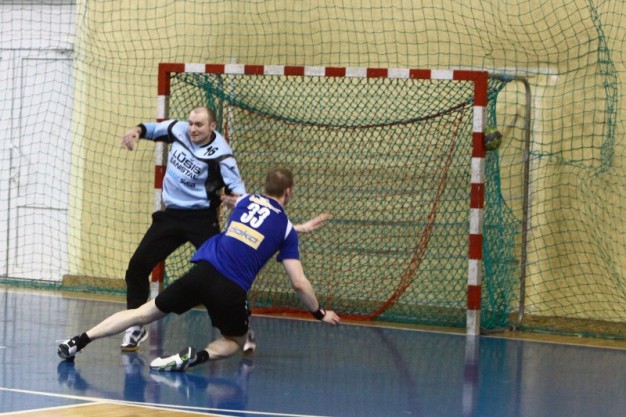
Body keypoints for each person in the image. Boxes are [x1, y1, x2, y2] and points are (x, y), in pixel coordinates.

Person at [58, 167, 340, 371]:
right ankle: (194, 357)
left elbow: (253, 216)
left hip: (201, 273)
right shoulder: (286, 230)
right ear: (289, 192)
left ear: (265, 187)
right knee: (236, 341)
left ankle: (78, 341)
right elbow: (299, 283)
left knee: (142, 313)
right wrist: (320, 313)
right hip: (231, 289)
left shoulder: (245, 201)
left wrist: (297, 227)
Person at [119, 107, 329, 352]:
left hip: (201, 219)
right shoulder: (177, 129)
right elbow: (151, 129)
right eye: (191, 123)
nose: (193, 129)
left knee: (224, 273)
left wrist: (286, 225)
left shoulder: (222, 157)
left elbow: (243, 199)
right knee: (137, 266)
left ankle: (242, 327)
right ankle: (135, 326)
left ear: (212, 126)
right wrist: (135, 131)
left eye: (199, 125)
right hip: (171, 216)